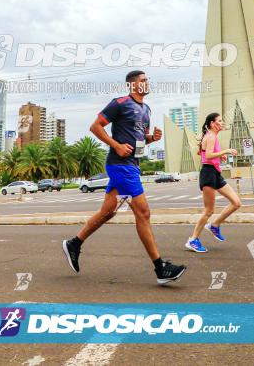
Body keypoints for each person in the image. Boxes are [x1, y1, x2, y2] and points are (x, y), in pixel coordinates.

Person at [62, 70, 187, 285]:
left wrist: (151, 138)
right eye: (142, 80)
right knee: (143, 212)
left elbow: (139, 141)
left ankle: (74, 243)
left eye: (148, 79)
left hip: (132, 165)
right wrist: (116, 145)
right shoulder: (119, 103)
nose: (147, 82)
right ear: (131, 85)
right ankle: (160, 268)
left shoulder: (146, 110)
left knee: (108, 212)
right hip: (120, 166)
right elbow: (95, 127)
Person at [186, 112, 242, 253]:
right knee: (209, 211)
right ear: (212, 124)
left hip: (215, 173)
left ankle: (214, 225)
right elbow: (209, 155)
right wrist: (226, 151)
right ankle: (192, 240)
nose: (222, 123)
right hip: (208, 174)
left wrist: (220, 155)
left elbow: (204, 154)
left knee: (236, 203)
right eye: (220, 121)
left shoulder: (211, 136)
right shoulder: (210, 136)